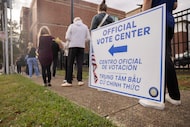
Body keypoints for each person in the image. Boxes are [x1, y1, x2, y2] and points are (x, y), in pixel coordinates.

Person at [139, 0, 181, 110]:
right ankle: (174, 96)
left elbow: (147, 0)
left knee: (158, 57)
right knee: (165, 56)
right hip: (169, 22)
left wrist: (144, 19)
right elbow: (175, 5)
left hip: (156, 19)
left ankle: (156, 98)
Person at [61, 17, 90, 87]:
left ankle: (69, 81)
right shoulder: (85, 27)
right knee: (79, 63)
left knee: (70, 63)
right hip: (81, 46)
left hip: (72, 46)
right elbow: (88, 38)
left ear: (74, 21)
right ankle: (80, 80)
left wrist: (73, 39)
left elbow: (67, 37)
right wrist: (82, 40)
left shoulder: (71, 26)